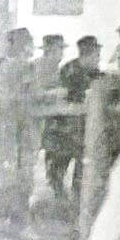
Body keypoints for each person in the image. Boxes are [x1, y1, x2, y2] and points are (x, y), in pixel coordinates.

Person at [0, 28, 38, 233]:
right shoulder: (16, 67)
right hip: (12, 128)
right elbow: (21, 97)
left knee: (14, 175)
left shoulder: (10, 67)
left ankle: (9, 220)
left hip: (14, 129)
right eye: (26, 44)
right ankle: (13, 222)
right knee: (15, 175)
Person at [45, 36, 102, 202]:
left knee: (83, 162)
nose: (98, 59)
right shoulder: (69, 70)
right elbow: (71, 96)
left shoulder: (94, 71)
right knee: (58, 168)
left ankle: (77, 196)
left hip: (80, 128)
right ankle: (59, 197)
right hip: (62, 128)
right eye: (97, 55)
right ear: (88, 55)